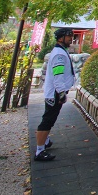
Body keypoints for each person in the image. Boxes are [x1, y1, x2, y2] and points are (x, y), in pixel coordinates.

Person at [34, 28, 75, 161]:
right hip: (55, 93)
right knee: (48, 120)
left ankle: (45, 141)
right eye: (68, 36)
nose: (71, 38)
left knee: (50, 118)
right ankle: (39, 150)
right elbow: (58, 74)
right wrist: (61, 92)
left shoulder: (61, 51)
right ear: (60, 38)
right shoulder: (59, 54)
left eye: (71, 36)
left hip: (55, 91)